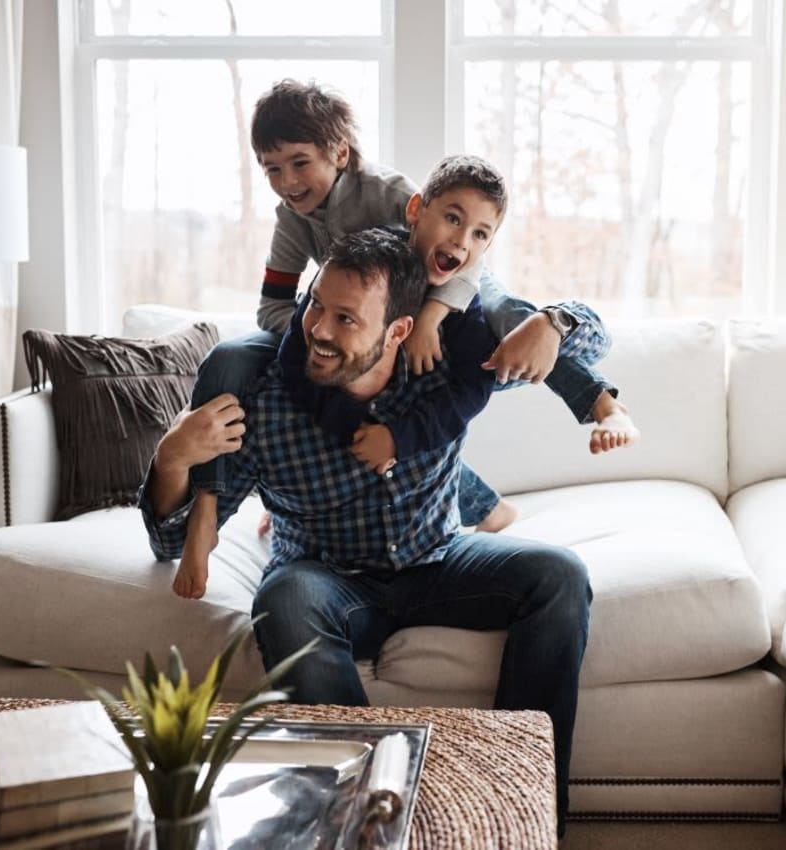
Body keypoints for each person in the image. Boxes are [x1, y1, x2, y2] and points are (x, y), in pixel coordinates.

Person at [141, 229, 592, 833]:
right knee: (285, 597)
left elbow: (592, 344)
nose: (320, 330)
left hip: (439, 559)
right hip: (328, 579)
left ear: (398, 330)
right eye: (316, 307)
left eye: (346, 319)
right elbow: (172, 544)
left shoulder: (444, 367)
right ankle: (370, 822)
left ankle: (522, 807)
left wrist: (554, 322)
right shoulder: (266, 400)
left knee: (560, 575)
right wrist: (171, 457)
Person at [173, 79, 632, 599]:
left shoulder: (390, 197)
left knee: (512, 322)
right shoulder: (292, 220)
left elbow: (450, 251)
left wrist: (431, 319)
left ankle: (601, 403)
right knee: (230, 357)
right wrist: (324, 331)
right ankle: (209, 504)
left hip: (447, 298)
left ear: (339, 152)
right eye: (272, 169)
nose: (287, 181)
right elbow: (272, 306)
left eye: (300, 164)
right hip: (356, 330)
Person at [277, 155, 640, 482]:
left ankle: (603, 404)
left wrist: (397, 438)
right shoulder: (367, 265)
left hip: (428, 409)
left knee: (519, 325)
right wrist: (355, 429)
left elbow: (474, 383)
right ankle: (491, 512)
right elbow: (294, 352)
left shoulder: (464, 301)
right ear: (416, 209)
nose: (462, 240)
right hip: (377, 442)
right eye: (452, 219)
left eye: (479, 234)